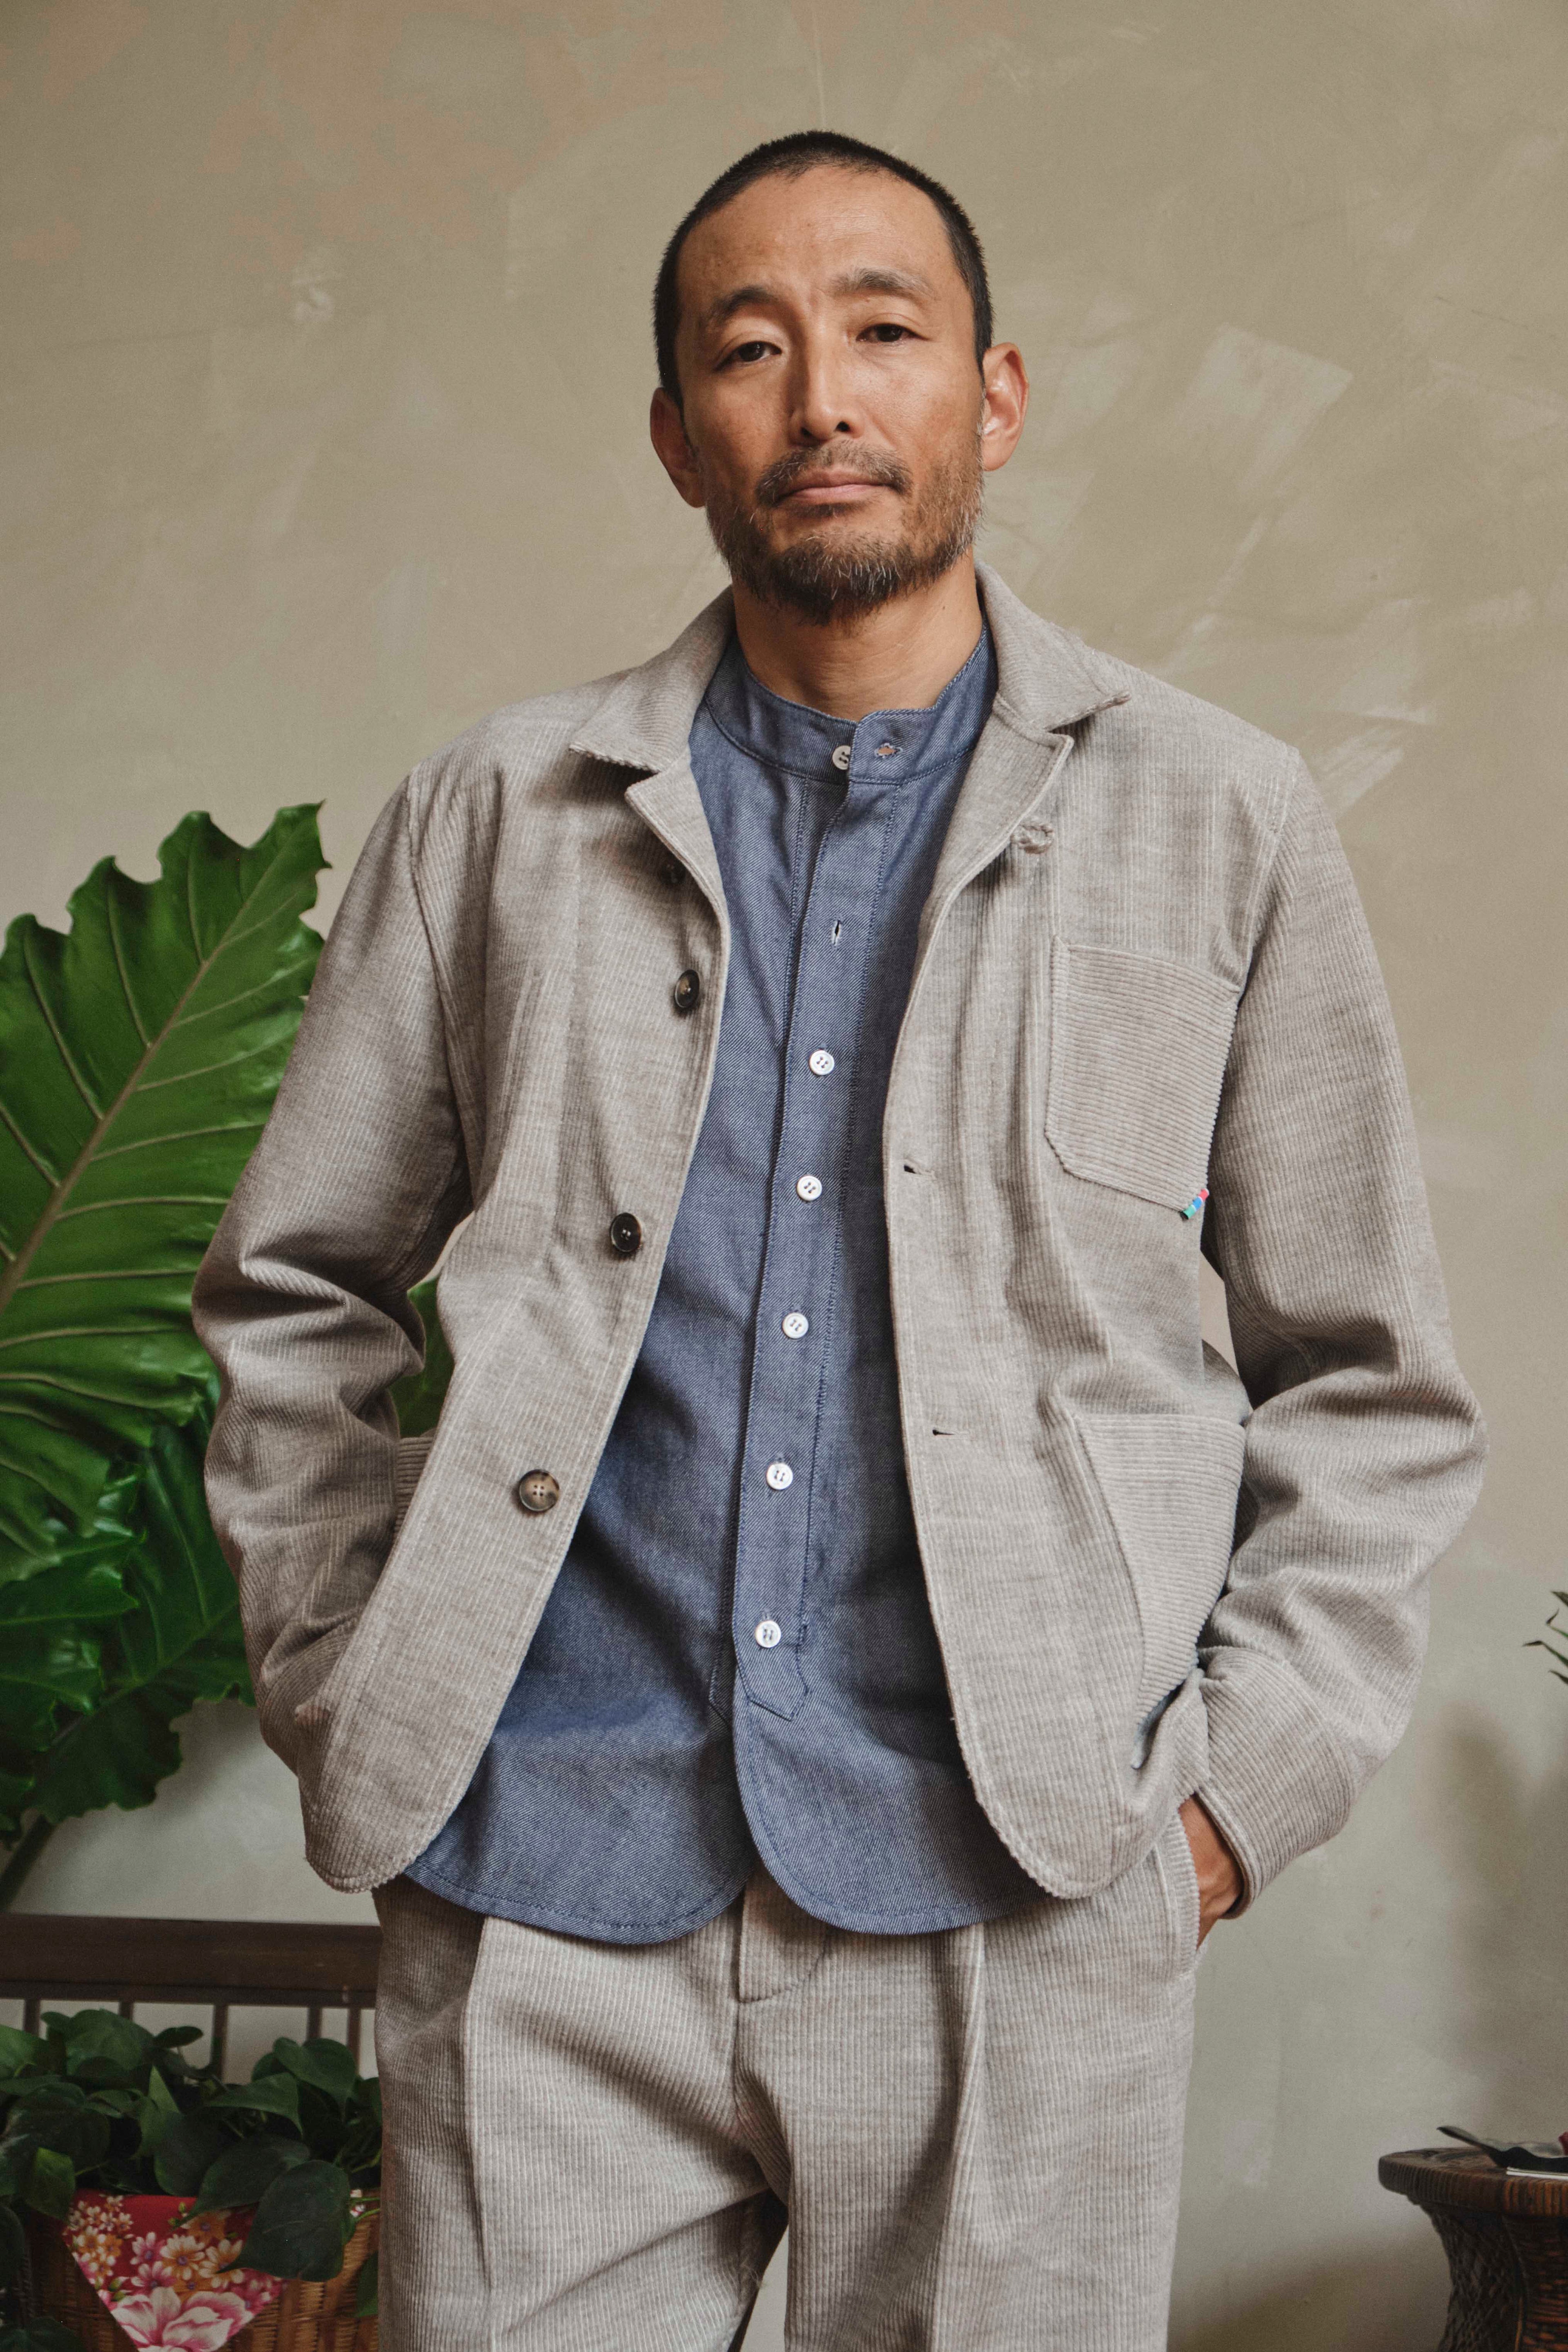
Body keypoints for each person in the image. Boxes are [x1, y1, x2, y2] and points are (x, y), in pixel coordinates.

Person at [193, 131, 1484, 2352]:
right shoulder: (489, 820)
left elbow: (1372, 1379)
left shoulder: (1217, 817)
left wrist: (1223, 1813)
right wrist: (348, 1698)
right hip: (542, 1884)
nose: (821, 399)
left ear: (994, 393)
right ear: (680, 432)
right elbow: (293, 1295)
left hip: (1023, 1895)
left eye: (883, 330)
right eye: (750, 348)